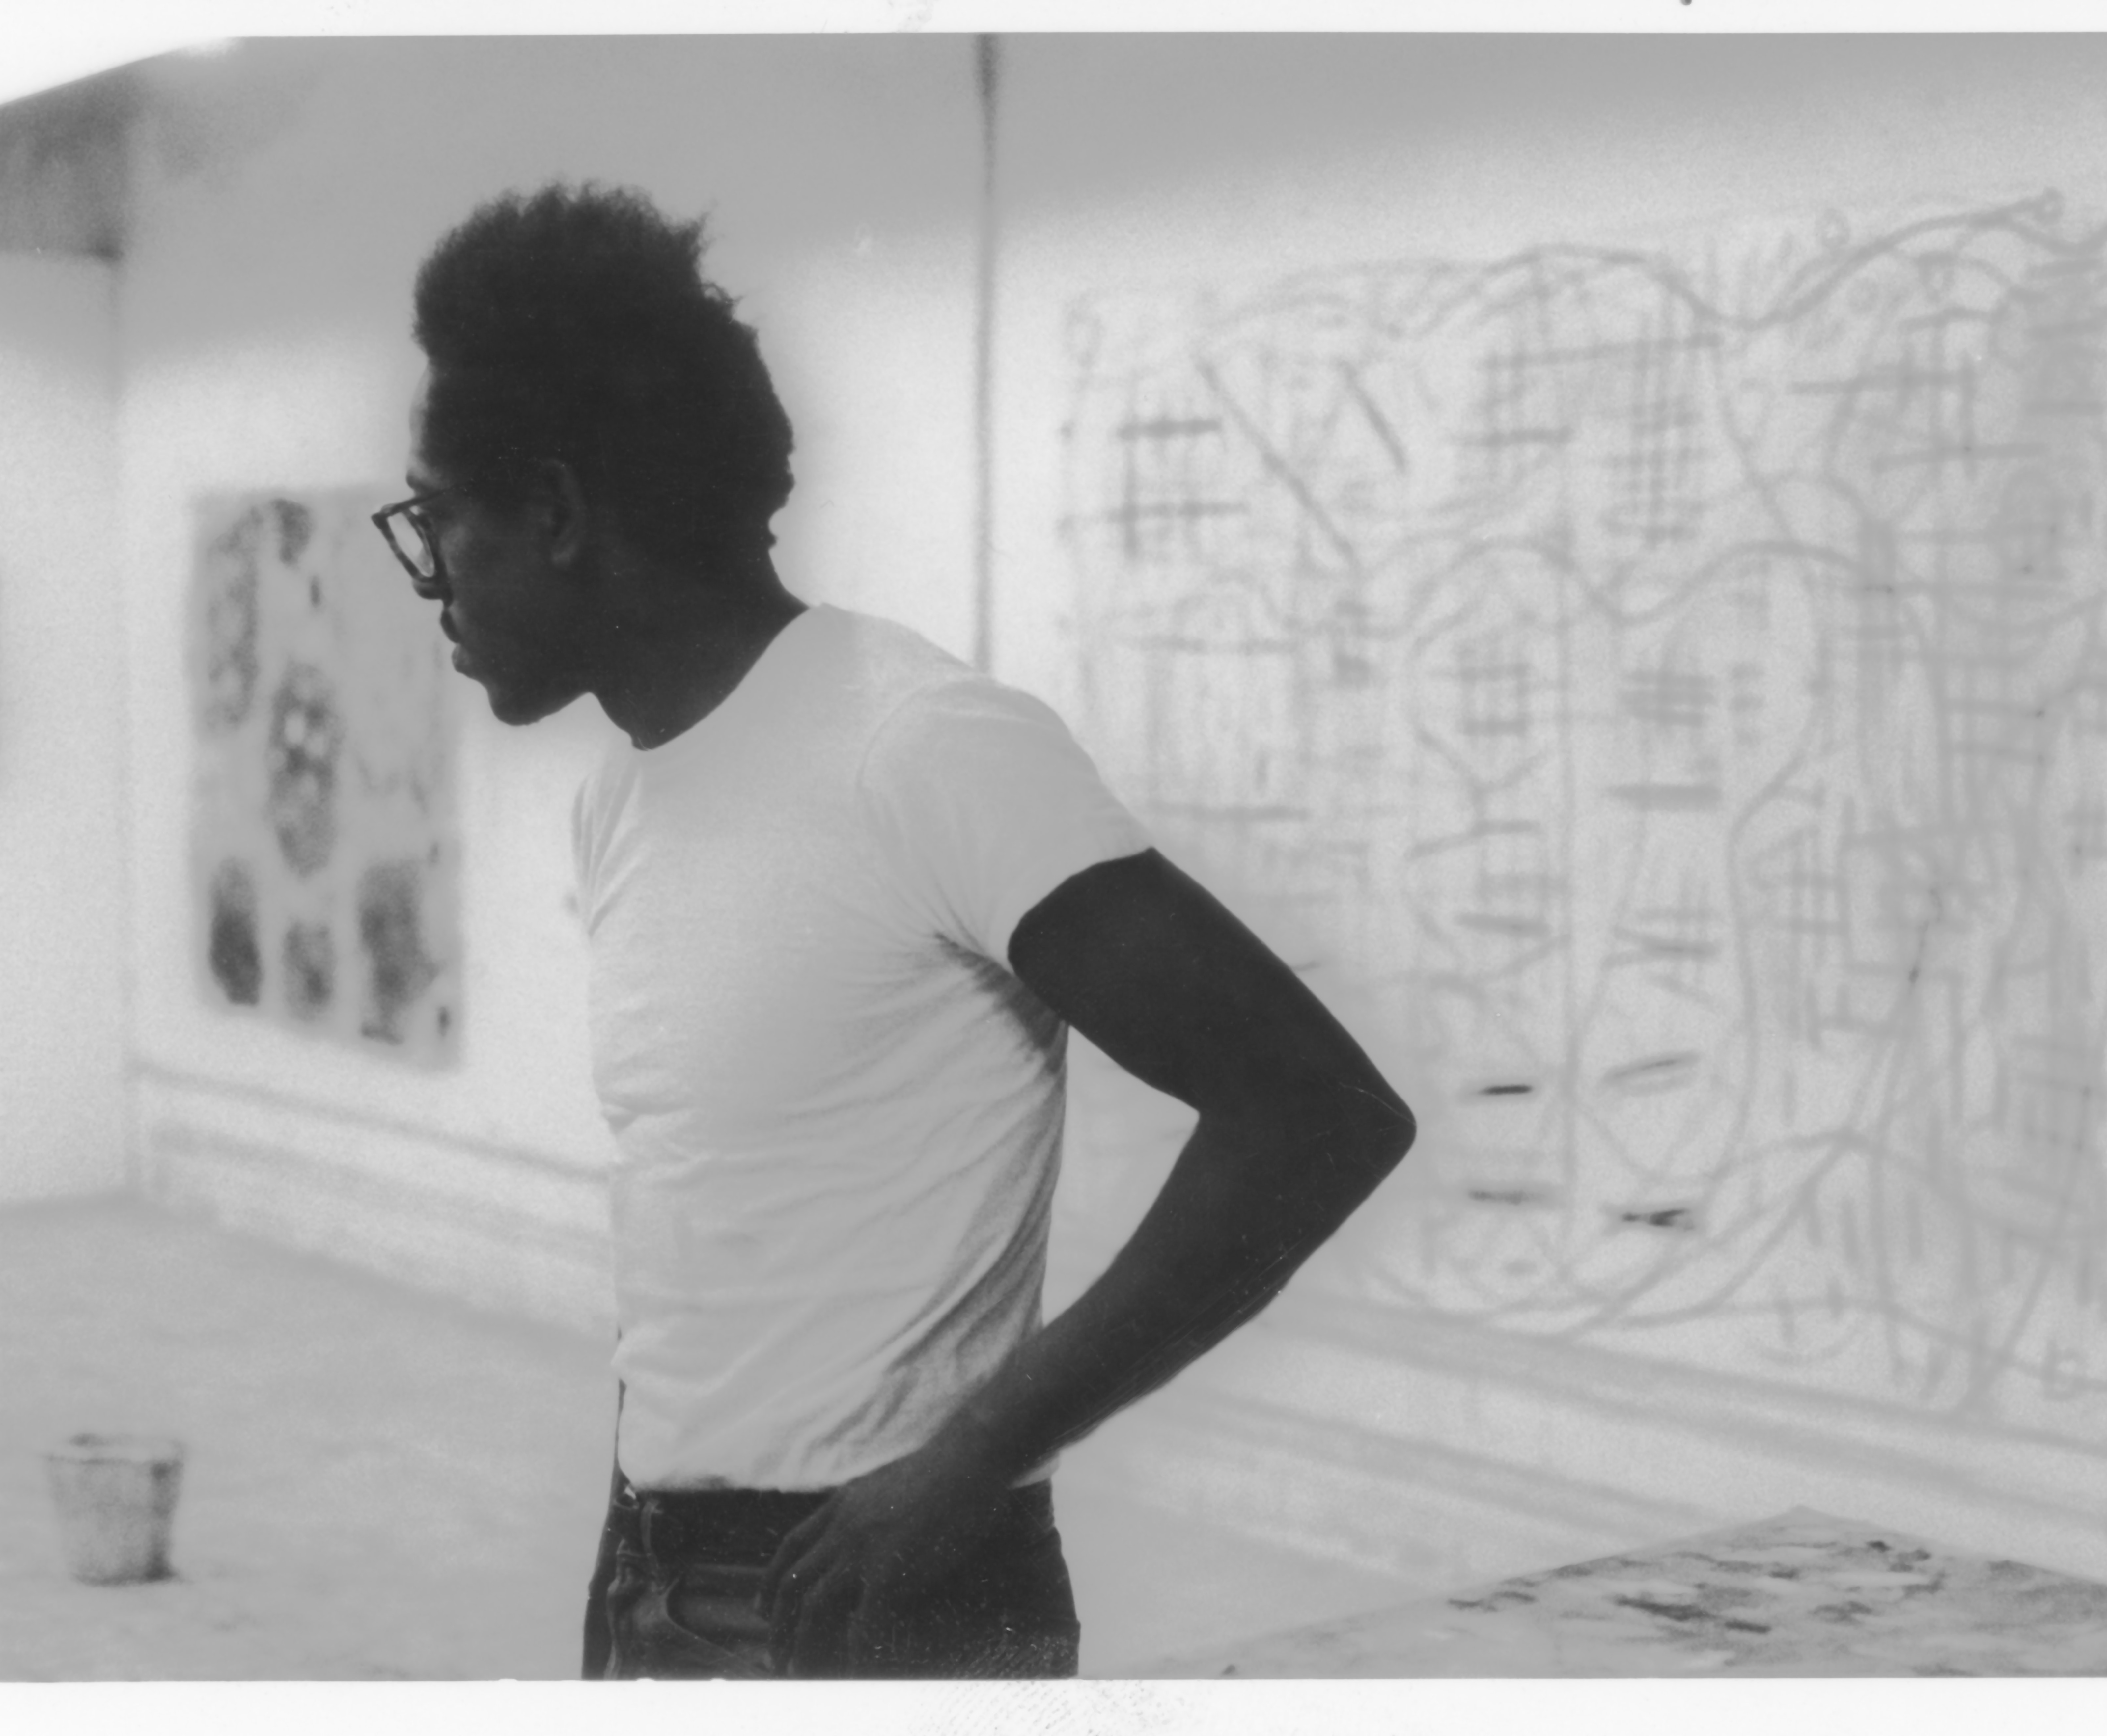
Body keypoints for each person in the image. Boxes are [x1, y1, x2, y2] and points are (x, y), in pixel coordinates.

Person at [374, 182, 1417, 1679]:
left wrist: (963, 1468)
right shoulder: (624, 798)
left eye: (439, 521)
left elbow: (1315, 1115)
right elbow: (710, 1231)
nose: (434, 582)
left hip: (892, 1589)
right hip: (666, 1577)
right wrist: (629, 1565)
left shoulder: (923, 750)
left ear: (552, 512)